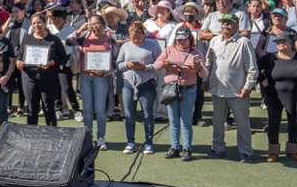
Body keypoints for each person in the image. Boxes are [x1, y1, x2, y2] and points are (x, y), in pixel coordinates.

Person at [205, 14, 259, 162]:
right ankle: (218, 148)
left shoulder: (244, 42)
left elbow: (252, 69)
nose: (226, 26)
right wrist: (206, 79)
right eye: (224, 23)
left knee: (242, 123)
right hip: (217, 89)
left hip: (238, 90)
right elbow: (208, 63)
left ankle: (246, 152)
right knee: (217, 122)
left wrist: (247, 87)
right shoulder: (214, 40)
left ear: (237, 25)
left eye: (230, 23)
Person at [258, 31, 297, 162]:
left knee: (295, 123)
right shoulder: (269, 58)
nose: (280, 44)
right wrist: (263, 81)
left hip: (295, 95)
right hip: (273, 95)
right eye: (278, 42)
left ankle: (292, 152)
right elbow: (256, 69)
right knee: (273, 123)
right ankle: (273, 152)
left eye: (283, 41)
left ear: (291, 43)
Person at [154, 27, 208, 161]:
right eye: (178, 40)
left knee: (186, 121)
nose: (181, 42)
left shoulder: (196, 54)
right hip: (171, 89)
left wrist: (198, 67)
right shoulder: (168, 50)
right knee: (173, 120)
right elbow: (156, 66)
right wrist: (165, 63)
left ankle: (187, 148)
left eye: (184, 40)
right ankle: (175, 147)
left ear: (190, 40)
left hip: (188, 89)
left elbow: (204, 74)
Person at [116, 21, 163, 154]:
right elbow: (118, 65)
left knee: (148, 115)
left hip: (147, 83)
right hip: (128, 84)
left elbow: (159, 64)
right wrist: (127, 65)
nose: (135, 38)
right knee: (129, 114)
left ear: (144, 34)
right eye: (132, 36)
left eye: (138, 35)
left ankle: (149, 143)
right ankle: (130, 142)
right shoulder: (125, 46)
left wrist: (145, 67)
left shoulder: (153, 44)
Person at [71, 14, 115, 149]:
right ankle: (88, 137)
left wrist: (107, 71)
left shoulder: (110, 38)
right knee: (87, 110)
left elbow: (115, 60)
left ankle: (101, 138)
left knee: (100, 110)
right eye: (91, 23)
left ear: (103, 24)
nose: (94, 26)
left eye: (97, 23)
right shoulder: (83, 38)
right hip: (85, 77)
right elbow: (69, 40)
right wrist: (81, 29)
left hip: (101, 78)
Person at [16, 12, 66, 127]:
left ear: (45, 23)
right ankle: (32, 137)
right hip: (29, 78)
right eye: (34, 23)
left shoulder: (54, 40)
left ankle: (52, 136)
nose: (36, 25)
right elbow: (19, 56)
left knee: (49, 109)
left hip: (48, 79)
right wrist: (18, 62)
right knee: (31, 109)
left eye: (39, 22)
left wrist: (53, 63)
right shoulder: (27, 39)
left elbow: (63, 58)